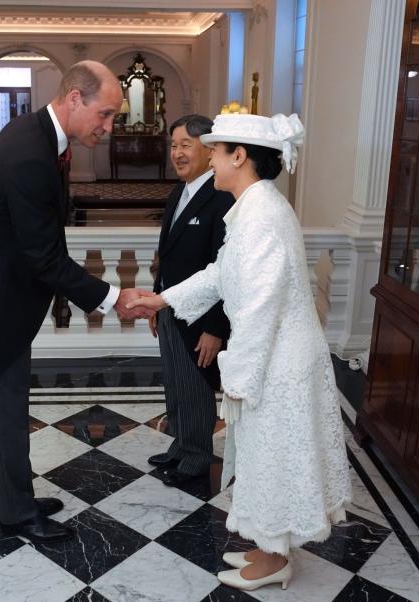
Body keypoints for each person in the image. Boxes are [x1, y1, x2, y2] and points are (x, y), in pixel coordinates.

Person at [0, 61, 153, 544]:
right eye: (106, 114)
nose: (109, 128)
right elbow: (46, 257)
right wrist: (114, 297)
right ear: (75, 99)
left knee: (9, 409)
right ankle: (13, 515)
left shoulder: (36, 134)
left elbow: (43, 242)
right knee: (5, 414)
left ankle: (17, 500)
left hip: (0, 290)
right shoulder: (31, 153)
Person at [127, 113, 352, 591]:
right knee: (260, 455)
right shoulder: (250, 207)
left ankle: (275, 560)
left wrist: (238, 377)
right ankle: (268, 545)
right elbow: (219, 274)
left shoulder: (262, 215)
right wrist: (162, 299)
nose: (208, 156)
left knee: (270, 457)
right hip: (272, 354)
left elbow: (258, 308)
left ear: (239, 156)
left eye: (215, 149)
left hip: (278, 361)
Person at [148, 114, 233, 487]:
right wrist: (156, 299)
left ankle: (198, 457)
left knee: (196, 386)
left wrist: (216, 329)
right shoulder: (178, 192)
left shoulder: (220, 198)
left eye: (186, 145)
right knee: (175, 383)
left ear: (208, 148)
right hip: (170, 307)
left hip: (202, 317)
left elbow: (225, 270)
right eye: (173, 145)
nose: (177, 153)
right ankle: (180, 447)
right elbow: (166, 254)